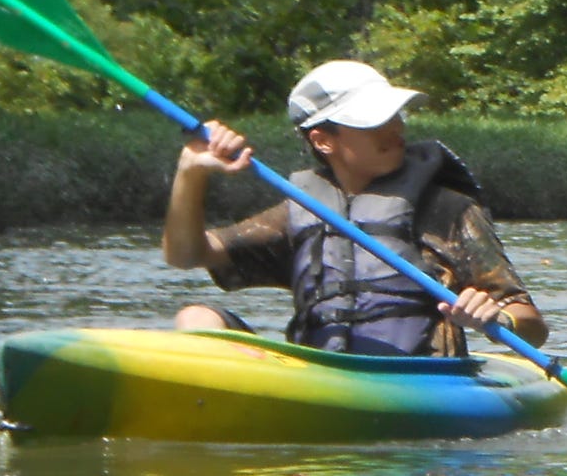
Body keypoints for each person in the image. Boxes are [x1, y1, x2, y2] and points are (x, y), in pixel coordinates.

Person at [163, 60, 545, 357]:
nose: (395, 129)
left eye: (394, 115)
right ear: (323, 140)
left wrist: (496, 318)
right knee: (196, 318)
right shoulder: (301, 211)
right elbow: (185, 255)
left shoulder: (447, 209)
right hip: (321, 375)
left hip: (419, 378)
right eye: (373, 122)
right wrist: (190, 171)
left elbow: (532, 326)